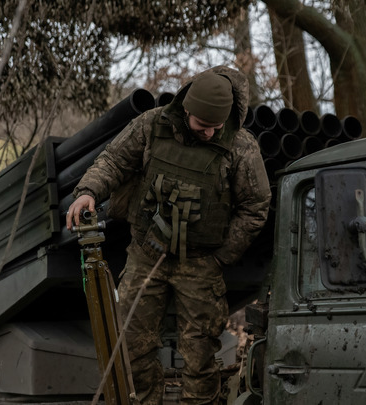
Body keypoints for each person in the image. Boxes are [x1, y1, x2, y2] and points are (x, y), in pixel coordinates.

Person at [66, 66, 271, 405]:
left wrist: (221, 256)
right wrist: (88, 191)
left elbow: (256, 206)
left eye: (215, 127)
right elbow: (114, 161)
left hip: (201, 263)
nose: (208, 133)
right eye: (201, 125)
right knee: (131, 341)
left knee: (200, 351)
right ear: (187, 109)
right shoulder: (152, 124)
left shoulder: (240, 146)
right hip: (147, 251)